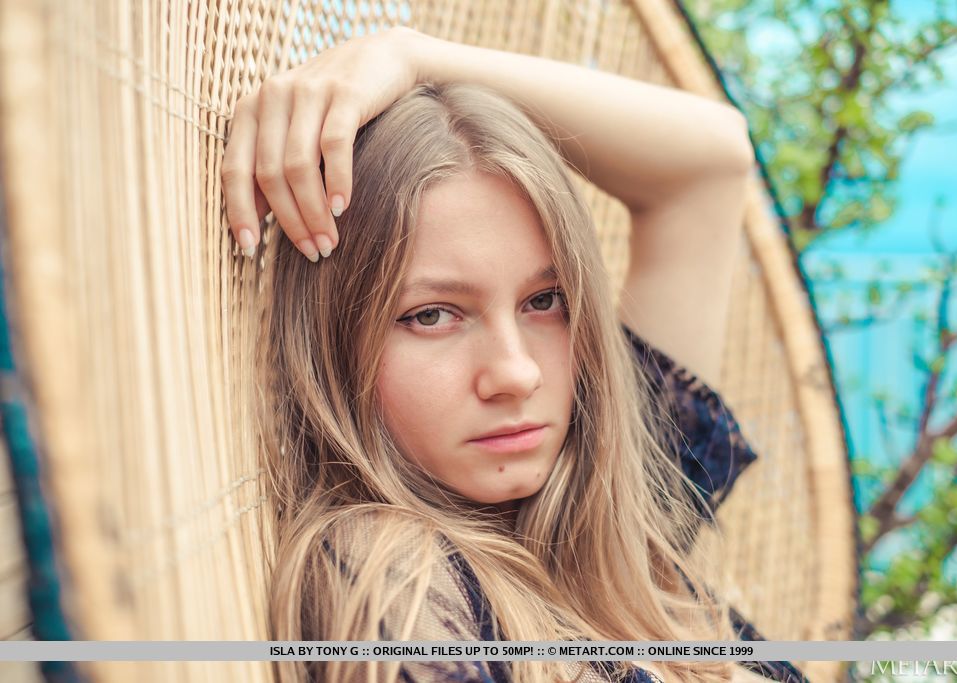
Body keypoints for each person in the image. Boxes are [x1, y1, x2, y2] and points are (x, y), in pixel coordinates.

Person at [222, 26, 809, 683]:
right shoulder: (395, 576)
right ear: (334, 341)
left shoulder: (619, 517)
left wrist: (414, 57)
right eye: (432, 315)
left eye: (545, 301)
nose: (516, 373)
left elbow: (712, 164)